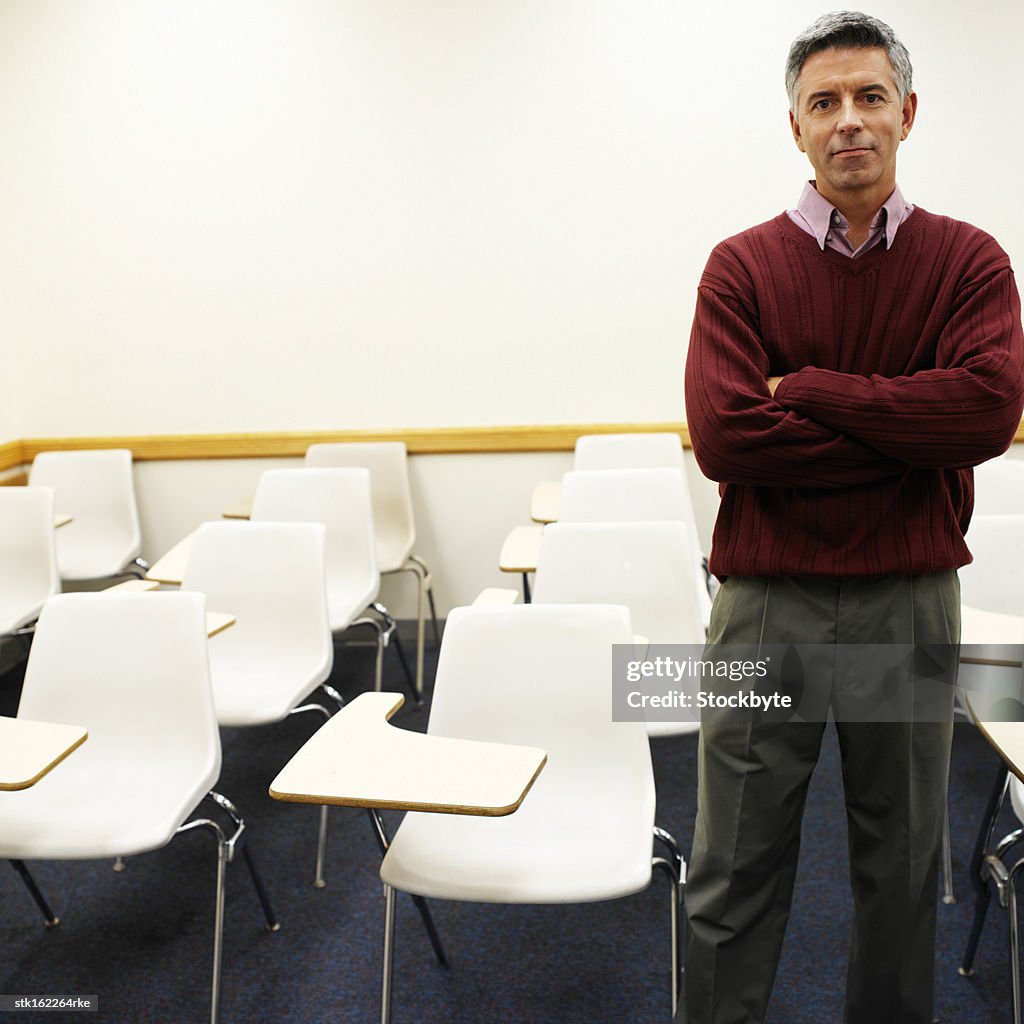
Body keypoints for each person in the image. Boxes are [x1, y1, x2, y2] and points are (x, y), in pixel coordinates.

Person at [681, 11, 1024, 1024]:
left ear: (906, 113)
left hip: (906, 603)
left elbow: (983, 414)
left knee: (899, 868)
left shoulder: (967, 263)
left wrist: (817, 389)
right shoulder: (738, 268)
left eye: (869, 97)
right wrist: (904, 431)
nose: (848, 122)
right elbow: (729, 442)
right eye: (822, 103)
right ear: (793, 127)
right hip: (762, 605)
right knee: (730, 867)